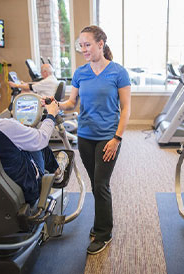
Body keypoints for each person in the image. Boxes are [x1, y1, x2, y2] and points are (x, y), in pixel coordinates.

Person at [57, 25, 131, 254]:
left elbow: (126, 108)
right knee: (96, 183)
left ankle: (103, 232)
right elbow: (71, 103)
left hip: (108, 138)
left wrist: (117, 138)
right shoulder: (80, 73)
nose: (83, 49)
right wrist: (54, 103)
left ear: (101, 44)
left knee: (101, 184)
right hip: (85, 136)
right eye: (81, 46)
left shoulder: (118, 72)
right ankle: (101, 223)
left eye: (87, 44)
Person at [0, 71, 69, 206]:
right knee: (39, 144)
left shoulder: (5, 127)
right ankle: (58, 173)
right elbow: (41, 139)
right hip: (20, 194)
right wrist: (51, 115)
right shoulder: (6, 127)